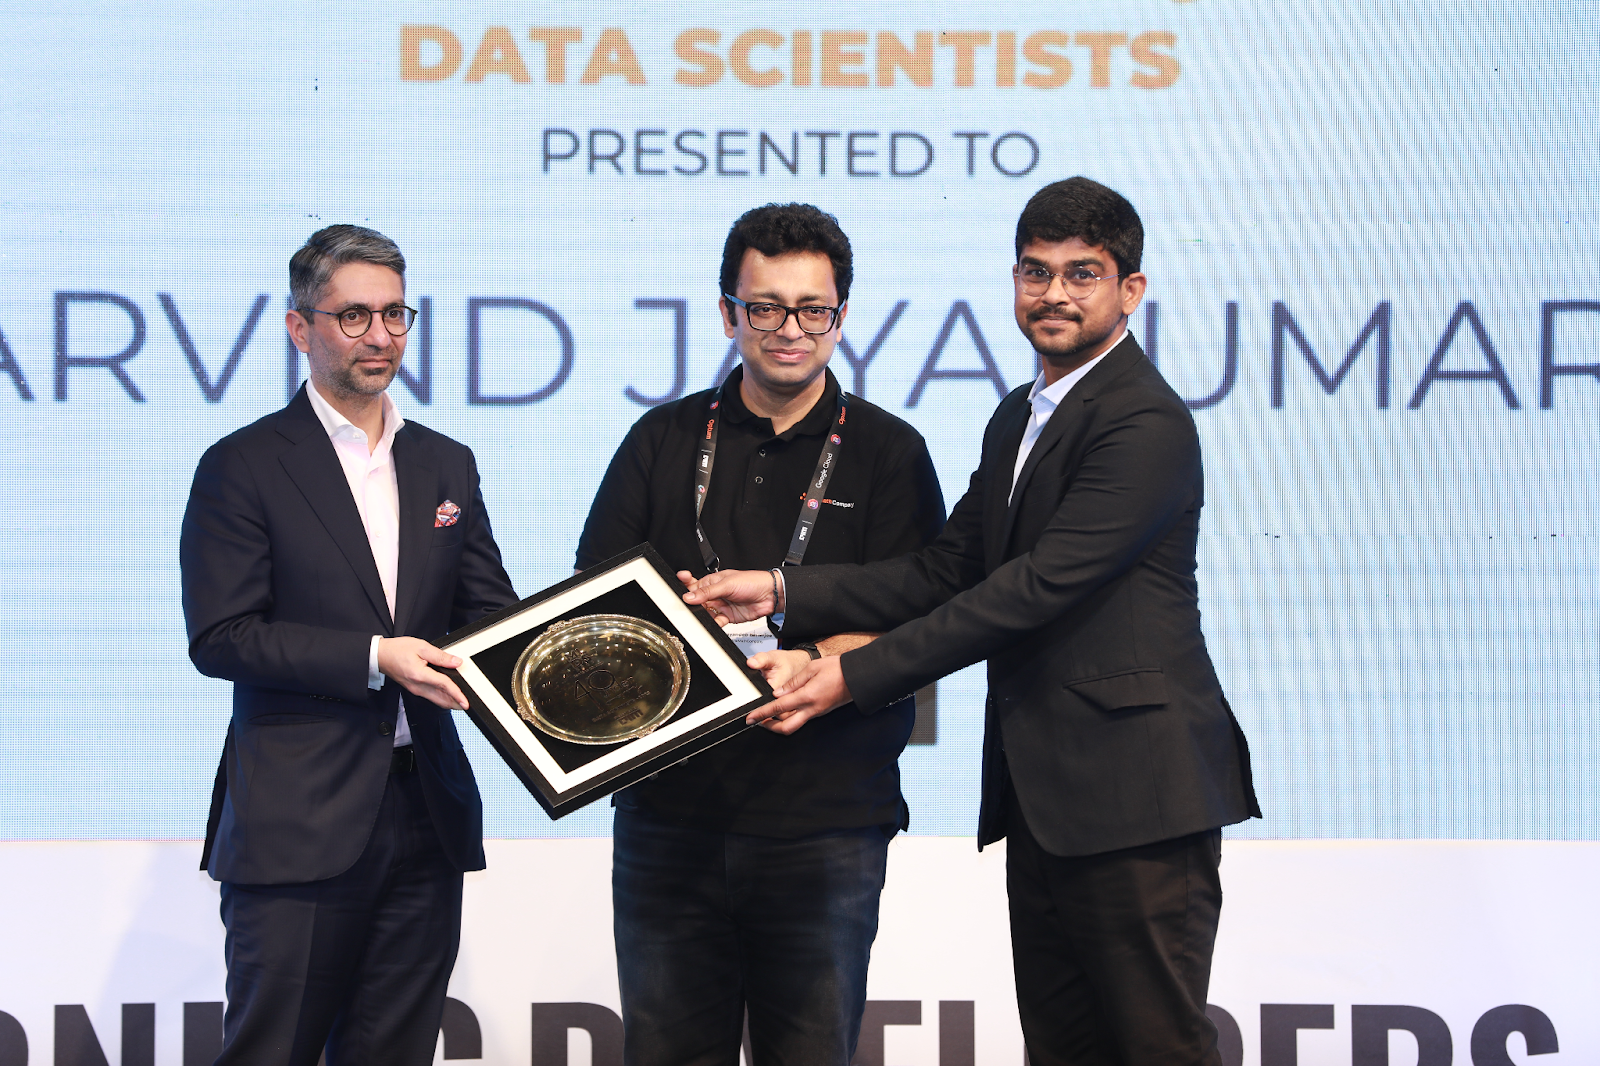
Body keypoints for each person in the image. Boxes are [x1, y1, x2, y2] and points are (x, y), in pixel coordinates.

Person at [685, 178, 1261, 1066]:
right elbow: (946, 569)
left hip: (1138, 799)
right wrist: (781, 590)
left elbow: (1029, 591)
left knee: (1155, 1048)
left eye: (1082, 274)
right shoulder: (1019, 415)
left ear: (1130, 291)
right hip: (1050, 801)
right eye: (1036, 271)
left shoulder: (1143, 421)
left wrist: (851, 676)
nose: (1054, 294)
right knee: (1062, 1050)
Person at [576, 202, 945, 1065]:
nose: (790, 331)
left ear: (841, 318)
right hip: (670, 817)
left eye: (812, 310)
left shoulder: (890, 451)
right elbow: (594, 602)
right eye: (766, 308)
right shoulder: (661, 438)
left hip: (827, 822)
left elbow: (923, 618)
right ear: (727, 313)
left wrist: (815, 655)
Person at [180, 224, 518, 1066]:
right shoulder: (243, 464)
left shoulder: (445, 463)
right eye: (354, 316)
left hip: (426, 811)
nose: (380, 336)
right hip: (297, 821)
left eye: (395, 314)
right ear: (301, 328)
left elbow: (490, 614)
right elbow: (222, 636)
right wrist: (376, 656)